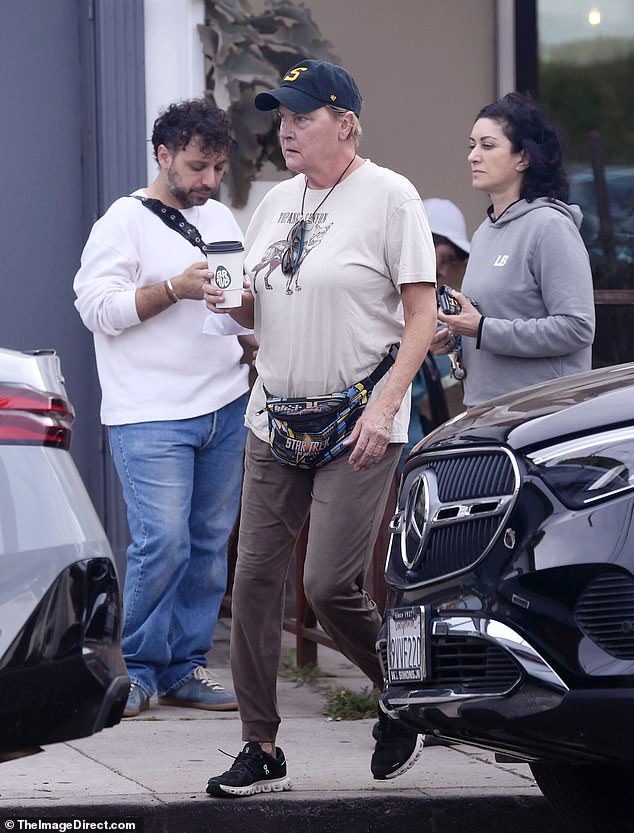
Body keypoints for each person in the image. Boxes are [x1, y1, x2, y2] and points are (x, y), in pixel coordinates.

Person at [202, 59, 437, 797]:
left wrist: (385, 406)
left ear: (346, 122)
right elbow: (261, 306)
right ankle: (260, 746)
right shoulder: (273, 202)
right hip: (275, 417)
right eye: (281, 117)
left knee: (331, 583)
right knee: (255, 580)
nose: (286, 129)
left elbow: (423, 316)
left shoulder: (391, 196)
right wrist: (232, 303)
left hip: (357, 418)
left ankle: (404, 693)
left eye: (301, 116)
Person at [73, 99, 251, 718]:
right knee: (164, 542)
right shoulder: (120, 223)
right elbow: (96, 309)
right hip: (149, 411)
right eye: (198, 166)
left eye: (217, 169)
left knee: (207, 545)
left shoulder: (223, 215)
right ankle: (139, 670)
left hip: (226, 401)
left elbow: (232, 305)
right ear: (164, 155)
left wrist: (252, 328)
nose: (207, 181)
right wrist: (176, 288)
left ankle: (186, 667)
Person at [431, 92, 595, 408]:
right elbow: (491, 325)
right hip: (484, 413)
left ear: (523, 158)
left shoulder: (550, 227)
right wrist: (457, 339)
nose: (473, 156)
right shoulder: (483, 233)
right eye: (472, 146)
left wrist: (482, 329)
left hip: (541, 416)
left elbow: (578, 328)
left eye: (487, 146)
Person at [401, 199, 471, 466]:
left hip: (409, 432)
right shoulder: (382, 288)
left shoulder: (425, 300)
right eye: (446, 258)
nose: (444, 271)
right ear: (423, 240)